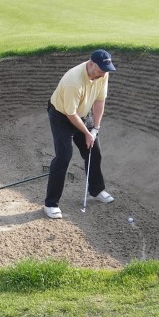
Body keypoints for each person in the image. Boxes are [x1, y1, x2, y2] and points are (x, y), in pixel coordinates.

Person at [44, 49, 117, 219]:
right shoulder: (73, 81)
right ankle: (50, 204)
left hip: (83, 115)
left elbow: (99, 101)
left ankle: (96, 190)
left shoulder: (102, 74)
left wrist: (95, 128)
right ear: (91, 64)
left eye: (106, 70)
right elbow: (71, 114)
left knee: (94, 152)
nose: (103, 74)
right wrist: (86, 133)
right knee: (63, 157)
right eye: (101, 70)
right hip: (61, 116)